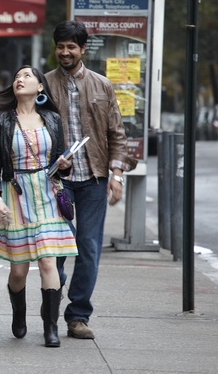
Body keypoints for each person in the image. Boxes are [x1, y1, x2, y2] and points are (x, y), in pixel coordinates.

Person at [45, 21, 137, 339]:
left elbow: (117, 134)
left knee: (89, 246)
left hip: (94, 179)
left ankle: (78, 315)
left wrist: (116, 175)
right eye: (61, 46)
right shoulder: (44, 84)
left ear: (83, 49)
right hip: (57, 180)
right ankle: (51, 302)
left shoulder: (102, 85)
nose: (65, 52)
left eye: (71, 46)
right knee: (56, 246)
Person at [0, 65, 78, 347]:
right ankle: (19, 312)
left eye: (27, 76)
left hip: (47, 192)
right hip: (15, 194)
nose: (20, 79)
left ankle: (50, 327)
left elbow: (61, 162)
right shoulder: (3, 121)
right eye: (17, 76)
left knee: (48, 260)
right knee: (18, 270)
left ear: (40, 87)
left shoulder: (52, 118)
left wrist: (64, 164)